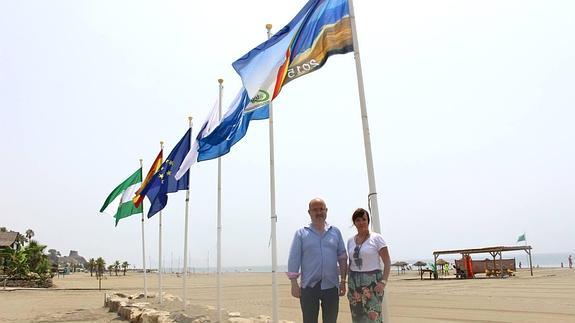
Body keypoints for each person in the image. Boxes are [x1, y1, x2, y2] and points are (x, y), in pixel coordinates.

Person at [287, 198, 348, 323]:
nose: (319, 212)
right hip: (309, 286)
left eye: (322, 209)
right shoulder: (301, 233)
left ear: (326, 211)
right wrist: (294, 284)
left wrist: (343, 281)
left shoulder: (335, 232)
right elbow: (294, 259)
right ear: (309, 212)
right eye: (315, 210)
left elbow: (342, 257)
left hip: (331, 285)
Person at [346, 208, 391, 323]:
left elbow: (387, 262)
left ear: (368, 221)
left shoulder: (377, 238)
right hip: (354, 281)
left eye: (364, 219)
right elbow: (350, 263)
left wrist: (383, 282)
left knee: (373, 315)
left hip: (372, 281)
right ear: (354, 222)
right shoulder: (350, 241)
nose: (361, 223)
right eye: (358, 220)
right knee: (357, 316)